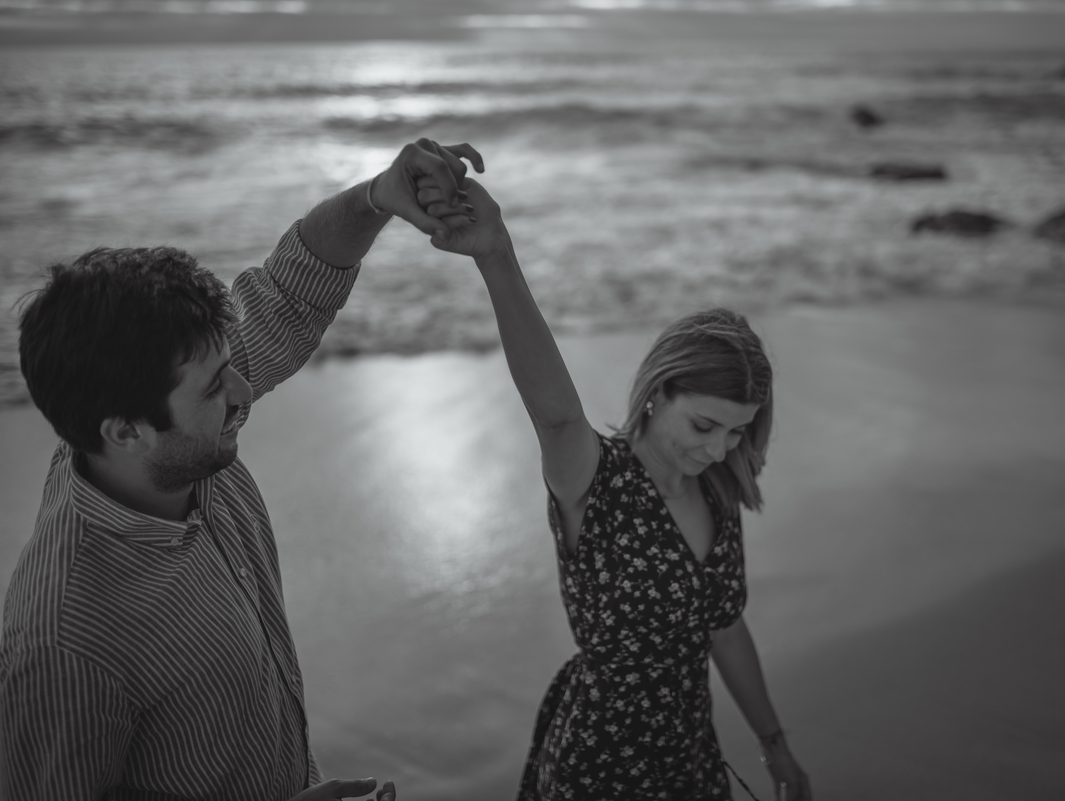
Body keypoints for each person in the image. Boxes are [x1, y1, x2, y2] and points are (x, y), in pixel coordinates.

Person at [0, 139, 482, 800]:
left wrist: (378, 195)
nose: (245, 390)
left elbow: (289, 292)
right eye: (212, 386)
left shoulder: (161, 431)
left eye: (230, 361)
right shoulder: (63, 642)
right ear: (124, 430)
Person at [414, 162, 813, 799]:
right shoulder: (596, 481)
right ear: (659, 393)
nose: (718, 449)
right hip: (599, 765)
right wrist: (495, 255)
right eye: (706, 424)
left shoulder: (717, 491)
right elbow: (554, 410)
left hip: (690, 760)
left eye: (736, 433)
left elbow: (726, 628)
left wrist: (775, 746)